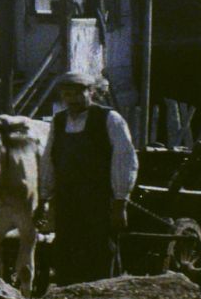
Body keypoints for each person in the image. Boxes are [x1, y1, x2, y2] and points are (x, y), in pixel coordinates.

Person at [45, 71, 138, 285]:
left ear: (91, 92)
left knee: (100, 249)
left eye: (78, 94)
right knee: (66, 248)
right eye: (67, 95)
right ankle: (69, 294)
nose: (72, 100)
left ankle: (102, 295)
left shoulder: (109, 119)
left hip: (99, 198)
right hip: (67, 198)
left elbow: (124, 160)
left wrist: (120, 201)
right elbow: (49, 159)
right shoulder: (59, 122)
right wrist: (45, 196)